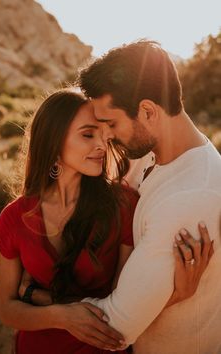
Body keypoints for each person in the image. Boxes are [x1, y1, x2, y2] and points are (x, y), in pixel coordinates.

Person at [0, 89, 212, 354]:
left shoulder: (122, 205)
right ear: (53, 141)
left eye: (102, 134)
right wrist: (60, 316)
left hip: (102, 348)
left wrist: (177, 294)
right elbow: (6, 309)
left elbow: (122, 303)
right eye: (88, 135)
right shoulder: (13, 217)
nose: (101, 144)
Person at [77, 39, 221, 353]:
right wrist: (174, 294)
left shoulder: (190, 196)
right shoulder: (153, 153)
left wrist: (36, 300)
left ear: (147, 111)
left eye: (112, 123)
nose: (107, 136)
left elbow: (115, 327)